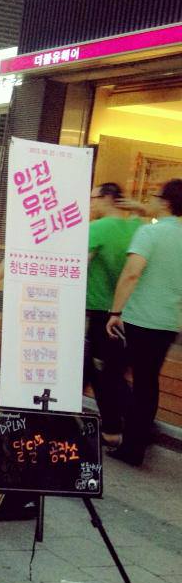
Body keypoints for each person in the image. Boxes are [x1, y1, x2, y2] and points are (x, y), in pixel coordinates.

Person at [106, 179, 182, 466]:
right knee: (147, 382)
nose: (151, 199)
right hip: (168, 321)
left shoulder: (149, 232)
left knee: (117, 374)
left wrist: (115, 311)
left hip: (140, 319)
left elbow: (132, 273)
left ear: (165, 202)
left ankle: (130, 444)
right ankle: (136, 443)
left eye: (155, 196)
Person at [84, 183, 143, 445]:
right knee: (113, 370)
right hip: (128, 312)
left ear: (107, 198)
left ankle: (111, 428)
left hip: (99, 311)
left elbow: (76, 262)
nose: (91, 203)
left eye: (94, 197)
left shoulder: (98, 228)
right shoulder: (137, 227)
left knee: (101, 371)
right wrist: (140, 209)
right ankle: (132, 424)